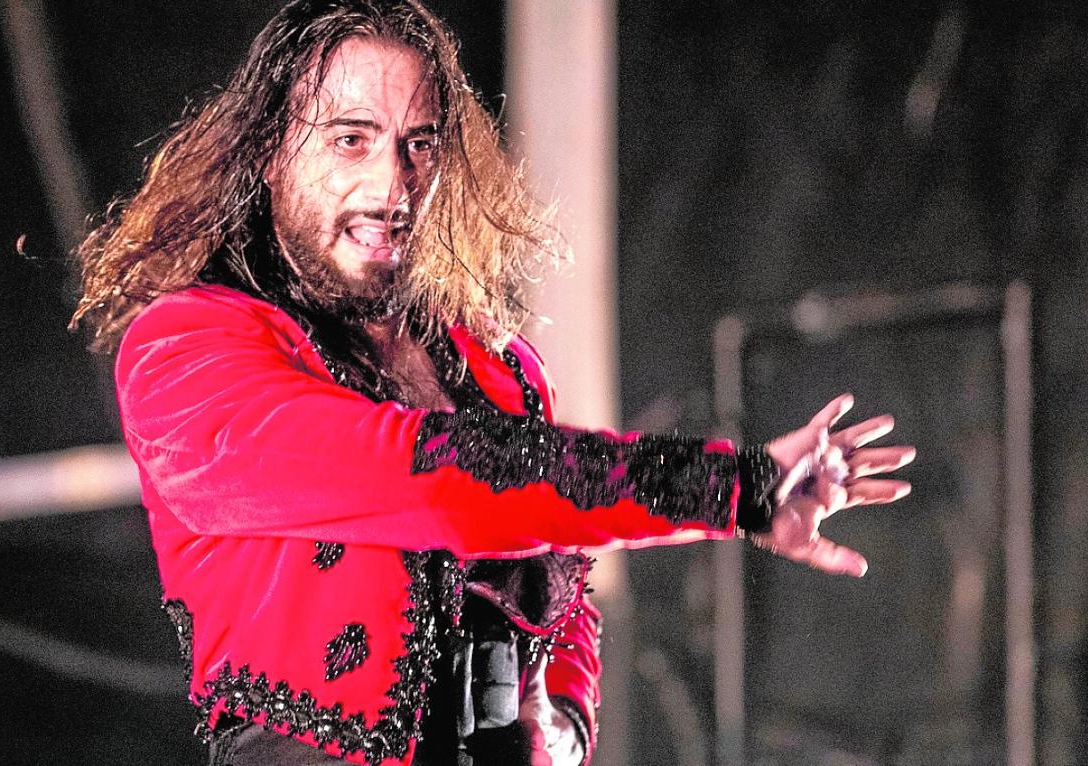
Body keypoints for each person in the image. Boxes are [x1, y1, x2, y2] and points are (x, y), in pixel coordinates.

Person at [71, 2, 914, 764]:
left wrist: (566, 727)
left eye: (419, 144)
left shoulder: (495, 368)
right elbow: (438, 478)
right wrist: (731, 486)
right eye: (350, 139)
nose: (391, 186)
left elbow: (565, 570)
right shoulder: (185, 348)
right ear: (267, 152)